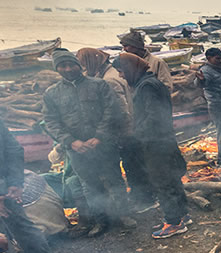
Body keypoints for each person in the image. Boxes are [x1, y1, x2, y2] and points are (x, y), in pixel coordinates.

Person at [43, 49, 133, 236]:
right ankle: (101, 221)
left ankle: (123, 215)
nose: (68, 69)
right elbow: (51, 121)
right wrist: (71, 141)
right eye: (63, 66)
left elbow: (112, 111)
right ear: (57, 69)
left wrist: (99, 136)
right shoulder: (52, 93)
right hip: (77, 150)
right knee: (90, 185)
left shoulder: (99, 85)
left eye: (71, 64)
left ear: (79, 65)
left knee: (114, 179)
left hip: (104, 144)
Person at [116, 53, 190, 239]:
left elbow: (153, 117)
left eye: (122, 71)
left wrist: (137, 136)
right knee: (171, 179)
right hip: (163, 140)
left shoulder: (147, 86)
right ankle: (181, 216)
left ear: (131, 68)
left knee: (162, 182)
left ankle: (173, 222)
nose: (121, 76)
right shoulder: (150, 82)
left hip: (155, 143)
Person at [76, 47, 157, 212]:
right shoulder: (112, 73)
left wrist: (122, 134)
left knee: (133, 166)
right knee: (137, 165)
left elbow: (121, 110)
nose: (83, 68)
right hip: (131, 129)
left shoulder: (109, 80)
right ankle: (144, 197)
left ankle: (144, 200)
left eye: (84, 64)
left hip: (126, 132)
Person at [0, 121, 58, 253]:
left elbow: (12, 149)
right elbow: (14, 149)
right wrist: (14, 182)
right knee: (19, 224)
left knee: (16, 223)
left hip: (5, 187)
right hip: (8, 184)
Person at [195, 48, 221, 167]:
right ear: (209, 58)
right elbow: (200, 83)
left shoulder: (219, 69)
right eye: (217, 58)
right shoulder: (206, 71)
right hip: (218, 107)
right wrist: (200, 80)